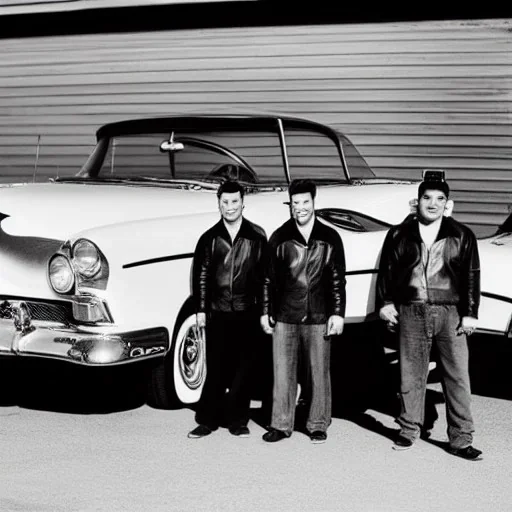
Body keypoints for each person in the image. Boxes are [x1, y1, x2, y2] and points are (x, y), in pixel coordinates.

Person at [376, 170, 483, 460]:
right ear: (417, 201)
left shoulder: (462, 235)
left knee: (457, 376)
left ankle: (461, 439)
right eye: (427, 198)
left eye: (439, 199)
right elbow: (387, 271)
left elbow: (471, 275)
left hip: (450, 312)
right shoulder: (399, 234)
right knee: (411, 374)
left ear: (447, 204)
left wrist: (470, 313)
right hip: (411, 310)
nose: (432, 204)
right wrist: (385, 302)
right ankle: (409, 429)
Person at [260, 178, 346, 444]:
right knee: (283, 372)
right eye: (295, 203)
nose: (300, 208)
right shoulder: (279, 237)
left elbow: (337, 279)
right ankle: (281, 424)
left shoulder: (330, 237)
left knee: (319, 373)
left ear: (313, 203)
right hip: (286, 314)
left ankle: (318, 424)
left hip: (320, 314)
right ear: (290, 205)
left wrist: (338, 313)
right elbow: (267, 279)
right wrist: (265, 311)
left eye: (305, 202)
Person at [188, 180, 267, 439]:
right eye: (225, 202)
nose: (230, 207)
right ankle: (207, 420)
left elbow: (265, 278)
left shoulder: (256, 237)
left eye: (234, 202)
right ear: (218, 204)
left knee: (243, 371)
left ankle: (238, 421)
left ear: (243, 203)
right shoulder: (209, 239)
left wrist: (265, 311)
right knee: (217, 369)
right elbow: (200, 277)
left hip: (247, 312)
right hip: (218, 312)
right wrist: (201, 309)